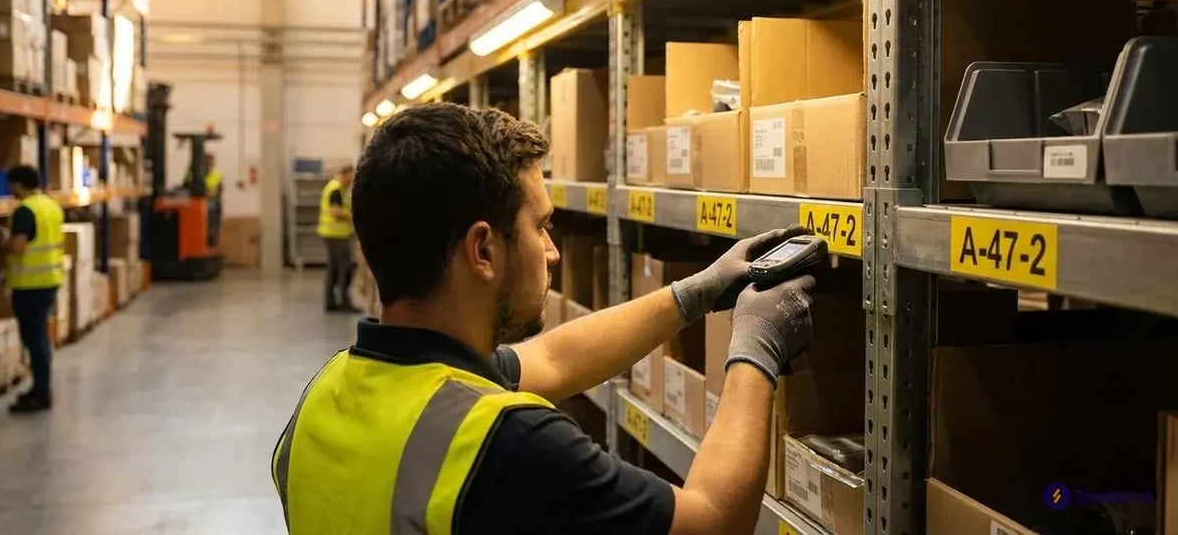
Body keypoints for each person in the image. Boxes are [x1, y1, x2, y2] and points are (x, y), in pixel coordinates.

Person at [272, 104, 818, 533]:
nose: (553, 252)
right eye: (540, 227)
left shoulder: (325, 394)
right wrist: (755, 348)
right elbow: (713, 522)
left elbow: (554, 359)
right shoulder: (507, 443)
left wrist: (696, 293)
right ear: (483, 251)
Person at [3, 165, 65, 415]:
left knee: (34, 339)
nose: (9, 189)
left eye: (11, 184)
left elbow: (18, 246)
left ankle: (41, 391)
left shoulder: (25, 210)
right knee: (39, 337)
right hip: (49, 280)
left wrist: (0, 243)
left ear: (18, 184)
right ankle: (41, 388)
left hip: (30, 285)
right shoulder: (50, 205)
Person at [316, 165, 356, 312]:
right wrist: (353, 216)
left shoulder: (336, 188)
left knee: (334, 269)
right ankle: (344, 302)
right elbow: (335, 211)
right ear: (345, 174)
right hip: (336, 236)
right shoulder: (336, 189)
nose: (351, 181)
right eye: (350, 177)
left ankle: (331, 303)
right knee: (345, 269)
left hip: (334, 235)